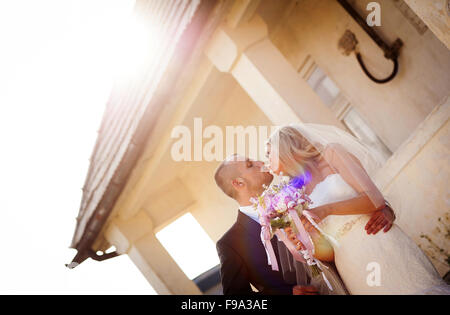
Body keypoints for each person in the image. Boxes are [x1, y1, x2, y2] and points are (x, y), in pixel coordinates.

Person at [265, 124, 450, 295]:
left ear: (285, 148)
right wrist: (307, 241)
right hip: (351, 265)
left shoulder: (332, 154)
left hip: (379, 240)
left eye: (268, 154)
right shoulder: (293, 194)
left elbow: (374, 200)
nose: (266, 162)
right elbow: (327, 253)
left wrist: (325, 210)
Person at [214, 153, 395, 295]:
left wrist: (382, 208)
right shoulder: (230, 244)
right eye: (250, 164)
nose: (260, 162)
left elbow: (343, 198)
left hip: (358, 283)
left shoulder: (296, 192)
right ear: (238, 183)